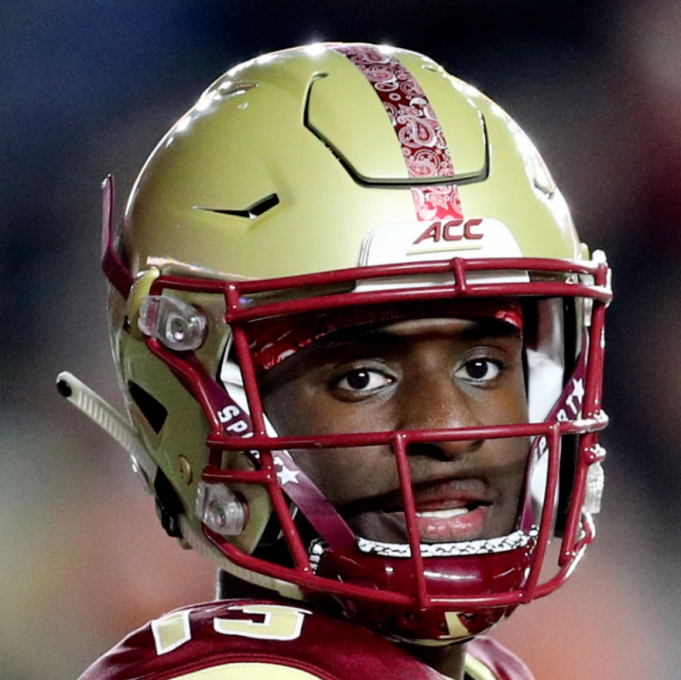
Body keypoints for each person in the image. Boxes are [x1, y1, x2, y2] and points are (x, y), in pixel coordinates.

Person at [60, 42, 612, 680]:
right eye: (362, 377)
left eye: (482, 367)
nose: (447, 429)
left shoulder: (495, 669)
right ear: (204, 400)